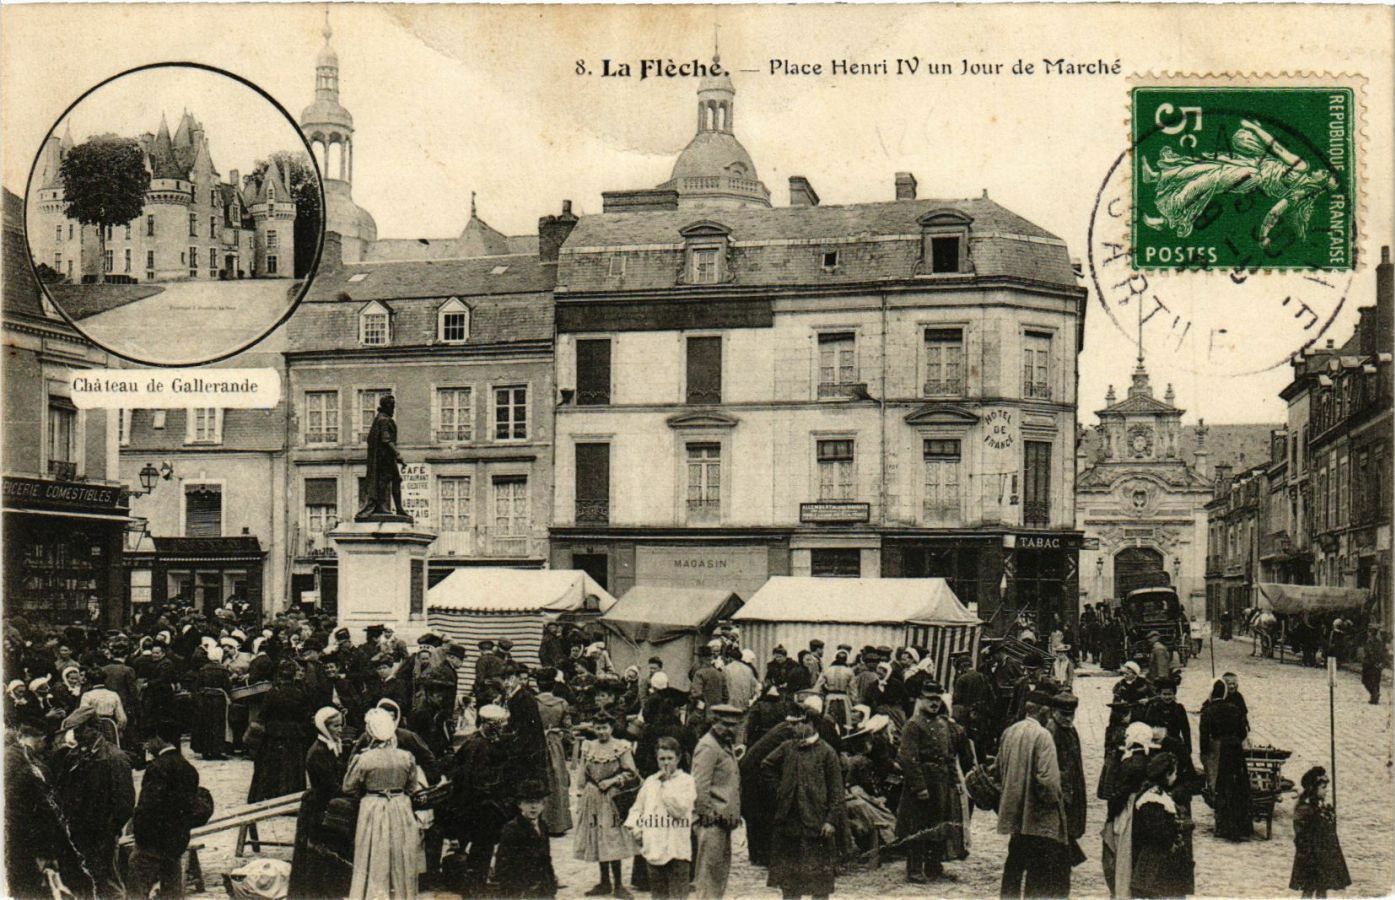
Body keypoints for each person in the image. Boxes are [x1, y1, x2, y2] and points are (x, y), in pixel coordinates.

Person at [344, 707, 426, 899]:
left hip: (373, 806)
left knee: (374, 852)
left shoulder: (364, 759)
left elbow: (348, 787)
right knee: (399, 853)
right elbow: (412, 786)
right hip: (400, 805)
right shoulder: (406, 757)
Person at [54, 707, 136, 899]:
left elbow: (125, 803)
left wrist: (110, 830)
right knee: (85, 881)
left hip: (102, 834)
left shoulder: (115, 758)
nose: (76, 735)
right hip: (80, 831)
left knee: (108, 881)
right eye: (75, 731)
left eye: (81, 730)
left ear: (94, 729)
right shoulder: (75, 756)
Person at [896, 680, 970, 883]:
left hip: (942, 781)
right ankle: (914, 869)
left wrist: (954, 781)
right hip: (923, 780)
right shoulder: (913, 725)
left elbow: (950, 756)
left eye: (937, 699)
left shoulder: (943, 724)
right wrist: (919, 786)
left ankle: (934, 865)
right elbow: (908, 758)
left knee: (939, 824)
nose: (934, 703)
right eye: (929, 699)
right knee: (918, 826)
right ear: (920, 700)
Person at [996, 690, 1068, 899]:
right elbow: (1048, 779)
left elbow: (999, 768)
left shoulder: (1010, 731)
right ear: (1044, 711)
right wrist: (1054, 803)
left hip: (1013, 808)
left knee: (1015, 862)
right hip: (1037, 813)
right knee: (1037, 867)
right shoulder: (1043, 736)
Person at [762, 720, 845, 900]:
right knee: (790, 883)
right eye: (794, 723)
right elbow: (767, 765)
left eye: (801, 723)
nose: (796, 727)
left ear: (812, 725)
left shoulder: (827, 752)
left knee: (820, 883)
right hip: (790, 823)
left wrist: (831, 820)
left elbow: (837, 790)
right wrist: (781, 791)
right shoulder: (787, 747)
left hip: (817, 825)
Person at [289, 708, 353, 900]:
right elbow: (330, 786)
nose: (340, 729)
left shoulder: (334, 746)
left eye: (341, 724)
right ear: (324, 727)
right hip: (318, 809)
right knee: (316, 859)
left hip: (326, 805)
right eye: (335, 726)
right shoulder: (317, 752)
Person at [574, 712, 640, 897]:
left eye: (605, 728)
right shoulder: (588, 747)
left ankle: (618, 884)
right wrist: (581, 791)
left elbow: (631, 773)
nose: (601, 732)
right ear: (593, 729)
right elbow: (582, 771)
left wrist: (612, 782)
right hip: (593, 796)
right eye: (598, 728)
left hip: (612, 797)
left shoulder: (621, 747)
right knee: (596, 836)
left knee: (612, 838)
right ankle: (604, 882)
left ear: (611, 728)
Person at [130, 734, 202, 899]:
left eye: (148, 741)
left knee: (137, 889)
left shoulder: (157, 767)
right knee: (172, 891)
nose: (146, 746)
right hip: (176, 841)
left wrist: (139, 834)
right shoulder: (188, 767)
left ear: (159, 740)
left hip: (151, 843)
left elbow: (147, 806)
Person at [626, 736, 697, 900]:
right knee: (658, 895)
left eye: (670, 758)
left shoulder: (687, 782)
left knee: (678, 895)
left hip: (677, 849)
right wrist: (637, 830)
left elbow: (679, 810)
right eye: (662, 759)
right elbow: (637, 809)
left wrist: (666, 786)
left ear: (678, 758)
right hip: (654, 847)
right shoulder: (650, 782)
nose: (666, 763)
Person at [4, 723, 67, 898]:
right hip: (31, 842)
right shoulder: (33, 767)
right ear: (41, 739)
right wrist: (48, 850)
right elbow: (45, 811)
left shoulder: (9, 756)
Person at [692, 704, 743, 899]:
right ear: (714, 722)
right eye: (726, 724)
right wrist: (708, 815)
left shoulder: (724, 744)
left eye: (734, 725)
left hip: (723, 822)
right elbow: (699, 785)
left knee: (718, 878)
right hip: (712, 823)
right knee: (708, 878)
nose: (731, 729)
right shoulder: (708, 746)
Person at [1130, 752, 1194, 898]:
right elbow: (1157, 832)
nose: (1176, 776)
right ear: (1167, 774)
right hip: (1156, 864)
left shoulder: (1159, 794)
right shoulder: (1153, 799)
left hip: (1161, 863)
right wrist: (1178, 828)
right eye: (1175, 772)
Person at [249, 661, 310, 803]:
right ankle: (291, 796)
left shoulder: (272, 693)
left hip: (273, 733)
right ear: (294, 675)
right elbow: (305, 714)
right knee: (292, 765)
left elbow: (263, 714)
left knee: (272, 765)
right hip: (294, 733)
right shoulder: (299, 693)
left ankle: (272, 794)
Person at [1199, 679, 1251, 840]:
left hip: (1219, 749)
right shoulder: (1234, 708)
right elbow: (1243, 732)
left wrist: (1205, 753)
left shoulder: (1208, 710)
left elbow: (1203, 734)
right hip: (1235, 749)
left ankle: (1223, 827)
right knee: (1238, 786)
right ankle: (1242, 827)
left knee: (1221, 787)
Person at [1290, 766, 1350, 898]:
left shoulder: (1321, 807)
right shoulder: (1305, 808)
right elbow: (1300, 831)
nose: (1326, 791)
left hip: (1322, 854)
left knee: (1322, 888)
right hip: (1309, 855)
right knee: (1309, 888)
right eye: (1323, 788)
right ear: (1313, 789)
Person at [494, 778, 559, 899]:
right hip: (520, 889)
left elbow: (545, 859)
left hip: (541, 888)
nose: (533, 807)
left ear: (543, 805)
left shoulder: (543, 826)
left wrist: (550, 884)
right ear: (520, 804)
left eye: (538, 802)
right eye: (529, 802)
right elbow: (503, 865)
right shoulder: (512, 829)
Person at [1046, 692, 1087, 862]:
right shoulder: (1051, 732)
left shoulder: (1070, 730)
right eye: (1064, 715)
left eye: (1071, 715)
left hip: (1073, 786)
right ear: (1054, 712)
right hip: (1062, 790)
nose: (1068, 719)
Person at [535, 668, 574, 835]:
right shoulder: (561, 703)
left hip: (537, 743)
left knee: (540, 778)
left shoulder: (533, 702)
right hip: (555, 743)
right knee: (557, 779)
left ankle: (540, 821)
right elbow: (568, 728)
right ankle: (558, 823)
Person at [191, 645, 232, 760]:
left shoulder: (203, 669)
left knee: (205, 724)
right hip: (218, 700)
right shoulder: (223, 670)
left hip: (204, 699)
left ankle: (205, 751)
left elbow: (197, 685)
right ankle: (216, 750)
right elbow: (228, 686)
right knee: (218, 725)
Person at [813, 647, 856, 729]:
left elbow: (818, 686)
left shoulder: (827, 670)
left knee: (828, 720)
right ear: (846, 659)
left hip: (829, 698)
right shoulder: (849, 671)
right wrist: (854, 703)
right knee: (845, 722)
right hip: (844, 700)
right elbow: (853, 691)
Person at [1361, 629, 1386, 705]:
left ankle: (1374, 694)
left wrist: (1374, 662)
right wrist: (1381, 663)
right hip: (1378, 664)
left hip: (1369, 664)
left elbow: (1370, 653)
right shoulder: (1380, 643)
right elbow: (1383, 653)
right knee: (1376, 681)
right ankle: (1374, 698)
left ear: (1370, 633)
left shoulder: (1370, 642)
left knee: (1365, 680)